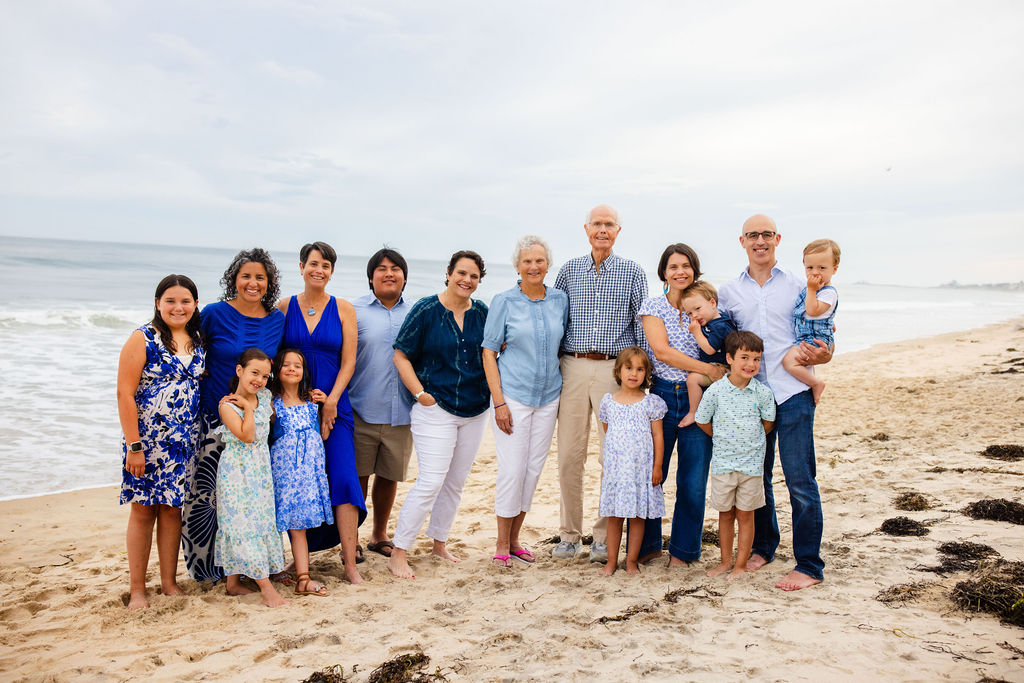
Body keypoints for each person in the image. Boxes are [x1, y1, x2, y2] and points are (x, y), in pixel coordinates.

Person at [717, 214, 832, 591]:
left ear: (777, 239)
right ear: (742, 241)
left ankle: (809, 566)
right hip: (751, 400)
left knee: (800, 481)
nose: (760, 241)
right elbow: (725, 343)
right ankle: (765, 545)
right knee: (758, 478)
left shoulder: (800, 286)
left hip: (792, 393)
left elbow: (822, 333)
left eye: (766, 234)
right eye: (753, 235)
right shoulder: (730, 291)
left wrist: (824, 357)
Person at [182, 249, 286, 582]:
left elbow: (278, 367)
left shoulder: (276, 321)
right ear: (234, 279)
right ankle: (209, 572)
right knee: (207, 498)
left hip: (255, 423)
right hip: (214, 415)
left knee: (248, 498)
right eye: (246, 276)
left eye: (260, 277)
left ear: (269, 283)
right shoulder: (214, 313)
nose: (253, 283)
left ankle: (248, 567)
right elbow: (187, 347)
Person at [553, 205, 648, 563]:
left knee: (614, 457)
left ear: (618, 230)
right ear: (586, 229)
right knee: (569, 456)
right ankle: (568, 536)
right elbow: (555, 317)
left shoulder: (633, 272)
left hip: (614, 371)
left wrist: (639, 382)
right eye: (597, 224)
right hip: (573, 367)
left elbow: (640, 329)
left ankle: (603, 537)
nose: (603, 230)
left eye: (609, 224)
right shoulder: (568, 271)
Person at [388, 251, 490, 579]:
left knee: (455, 481)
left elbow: (494, 353)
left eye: (474, 276)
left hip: (475, 409)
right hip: (435, 408)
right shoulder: (426, 309)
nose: (467, 280)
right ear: (448, 273)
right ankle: (399, 551)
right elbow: (401, 355)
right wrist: (420, 393)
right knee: (431, 480)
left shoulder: (483, 313)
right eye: (462, 273)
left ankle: (439, 543)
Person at [278, 241, 366, 585]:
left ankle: (350, 564)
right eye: (313, 263)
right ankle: (299, 562)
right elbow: (274, 359)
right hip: (294, 410)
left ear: (331, 271)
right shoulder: (285, 307)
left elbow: (349, 361)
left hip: (336, 406)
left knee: (343, 478)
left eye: (326, 265)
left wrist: (330, 400)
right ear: (301, 267)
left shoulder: (343, 308)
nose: (319, 270)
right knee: (296, 483)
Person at [116, 274, 206, 610]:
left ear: (195, 304)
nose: (178, 307)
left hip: (185, 443)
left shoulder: (198, 340)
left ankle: (169, 583)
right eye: (170, 300)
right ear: (158, 304)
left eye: (185, 301)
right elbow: (125, 393)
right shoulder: (143, 338)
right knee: (142, 511)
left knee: (172, 511)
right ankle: (138, 589)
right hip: (148, 442)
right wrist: (133, 445)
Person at [635, 244, 726, 568]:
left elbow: (729, 340)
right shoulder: (653, 306)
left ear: (694, 269)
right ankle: (646, 547)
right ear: (663, 272)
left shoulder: (705, 307)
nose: (680, 272)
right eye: (673, 266)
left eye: (685, 265)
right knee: (651, 474)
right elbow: (661, 352)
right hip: (660, 396)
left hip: (698, 398)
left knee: (693, 478)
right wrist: (708, 370)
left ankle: (683, 552)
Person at [482, 236, 568, 568]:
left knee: (533, 471)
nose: (534, 266)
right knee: (512, 469)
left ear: (548, 264)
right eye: (527, 261)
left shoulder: (560, 299)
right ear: (517, 266)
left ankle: (516, 539)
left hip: (549, 397)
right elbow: (489, 352)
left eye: (540, 261)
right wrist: (499, 402)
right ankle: (501, 543)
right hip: (513, 397)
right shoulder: (503, 300)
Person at [694, 331, 776, 580]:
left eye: (756, 359)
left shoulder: (761, 392)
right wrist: (722, 436)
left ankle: (740, 565)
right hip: (723, 464)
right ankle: (725, 562)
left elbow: (768, 422)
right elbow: (702, 421)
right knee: (726, 515)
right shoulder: (716, 391)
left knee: (746, 515)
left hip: (751, 466)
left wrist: (749, 441)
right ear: (729, 358)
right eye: (744, 357)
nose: (751, 364)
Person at [349, 248, 414, 559]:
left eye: (395, 268)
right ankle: (352, 540)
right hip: (361, 407)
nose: (389, 273)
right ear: (371, 277)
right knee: (357, 478)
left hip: (402, 409)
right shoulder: (353, 310)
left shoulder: (415, 311)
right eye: (382, 269)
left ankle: (378, 534)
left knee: (389, 476)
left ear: (404, 276)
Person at [214, 349, 286, 608]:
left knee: (258, 521)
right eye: (254, 373)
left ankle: (233, 584)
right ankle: (266, 589)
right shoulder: (227, 406)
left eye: (265, 376)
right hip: (237, 472)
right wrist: (246, 407)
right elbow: (247, 436)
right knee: (241, 524)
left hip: (260, 470)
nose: (259, 380)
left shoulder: (265, 397)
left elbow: (271, 426)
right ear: (239, 371)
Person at [269, 348, 333, 597]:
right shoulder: (271, 403)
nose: (293, 369)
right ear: (277, 369)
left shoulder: (311, 402)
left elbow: (322, 435)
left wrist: (326, 403)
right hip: (283, 473)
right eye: (286, 365)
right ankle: (276, 569)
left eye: (298, 365)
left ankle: (303, 578)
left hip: (308, 474)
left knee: (299, 527)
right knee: (278, 522)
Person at [597, 347, 666, 576]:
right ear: (618, 371)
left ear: (646, 374)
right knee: (615, 517)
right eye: (629, 368)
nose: (633, 374)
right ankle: (611, 562)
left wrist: (657, 467)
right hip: (618, 471)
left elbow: (657, 435)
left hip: (641, 471)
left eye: (639, 369)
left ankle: (631, 561)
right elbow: (609, 433)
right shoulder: (609, 402)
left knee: (637, 517)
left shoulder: (650, 403)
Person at [782, 239, 840, 404]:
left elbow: (812, 310)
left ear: (834, 269)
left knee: (789, 362)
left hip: (814, 339)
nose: (815, 273)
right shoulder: (809, 289)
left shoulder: (828, 293)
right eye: (810, 268)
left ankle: (816, 383)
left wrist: (812, 290)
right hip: (806, 337)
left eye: (822, 268)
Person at [678, 281, 737, 428]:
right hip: (718, 367)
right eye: (690, 313)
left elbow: (709, 349)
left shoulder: (720, 326)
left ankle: (693, 412)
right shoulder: (715, 322)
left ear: (712, 303)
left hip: (723, 368)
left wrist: (697, 333)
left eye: (698, 309)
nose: (695, 315)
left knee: (692, 379)